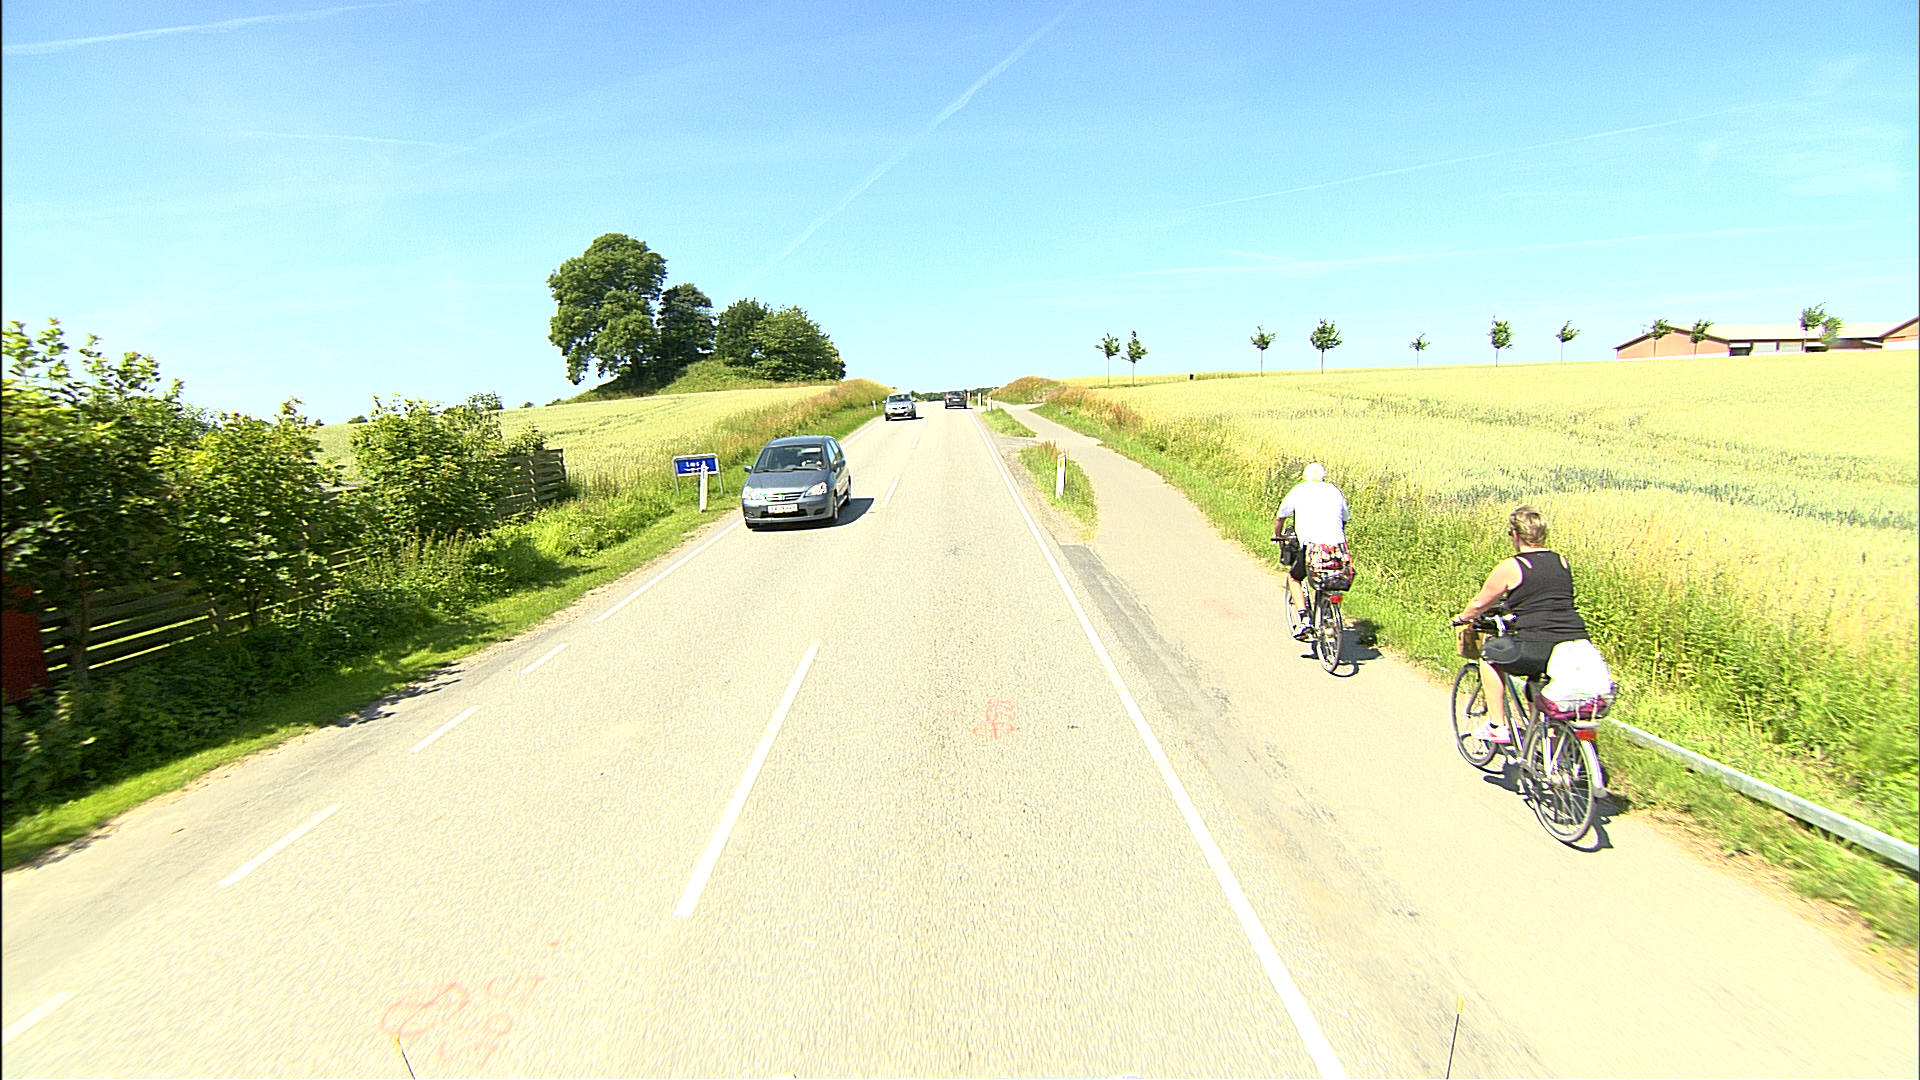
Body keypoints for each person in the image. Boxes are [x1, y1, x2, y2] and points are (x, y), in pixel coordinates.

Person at [1449, 504, 1591, 743]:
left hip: (1536, 643)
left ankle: (1497, 725)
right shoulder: (1561, 561)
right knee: (1538, 678)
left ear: (1516, 534)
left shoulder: (1512, 566)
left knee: (1489, 656)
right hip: (1573, 643)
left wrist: (1462, 618)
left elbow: (1480, 603)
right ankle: (1544, 738)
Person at [1271, 463, 1350, 640]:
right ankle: (1328, 612)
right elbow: (1345, 518)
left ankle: (1304, 619)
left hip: (1312, 547)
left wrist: (1278, 535)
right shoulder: (1334, 491)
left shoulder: (1300, 489)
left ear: (1305, 476)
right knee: (1329, 578)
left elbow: (1280, 517)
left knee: (1294, 577)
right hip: (1338, 547)